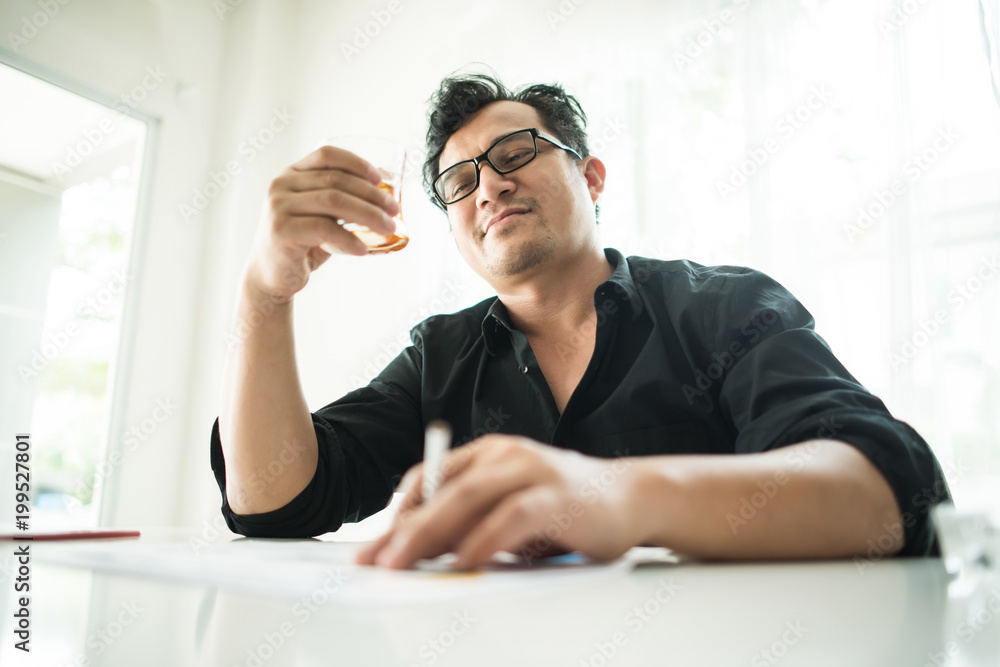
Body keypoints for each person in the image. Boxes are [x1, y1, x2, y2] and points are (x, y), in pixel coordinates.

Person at [210, 72, 949, 570]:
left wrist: (617, 496)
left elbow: (889, 496)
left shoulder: (726, 309)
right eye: (457, 181)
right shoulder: (439, 358)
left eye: (514, 152)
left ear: (590, 176)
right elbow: (275, 499)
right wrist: (262, 294)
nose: (488, 185)